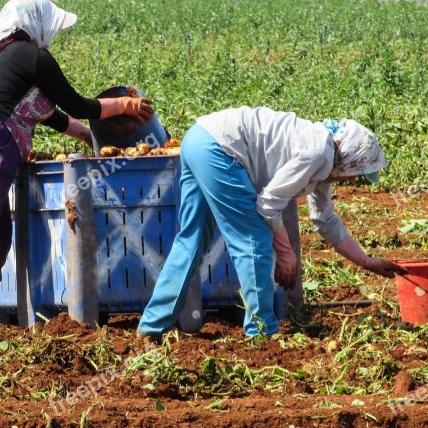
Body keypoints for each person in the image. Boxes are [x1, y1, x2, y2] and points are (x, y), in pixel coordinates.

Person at [0, 0, 154, 327]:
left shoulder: (8, 60)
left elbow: (53, 115)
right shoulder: (34, 57)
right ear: (36, 22)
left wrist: (89, 137)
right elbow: (78, 105)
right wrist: (124, 106)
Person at [137, 106, 407, 338]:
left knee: (193, 239)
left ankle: (152, 325)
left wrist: (366, 260)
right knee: (254, 239)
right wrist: (286, 252)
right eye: (357, 172)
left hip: (198, 139)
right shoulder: (317, 153)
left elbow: (324, 219)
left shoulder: (326, 159)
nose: (352, 180)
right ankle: (261, 331)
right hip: (219, 149)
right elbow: (268, 204)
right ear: (350, 159)